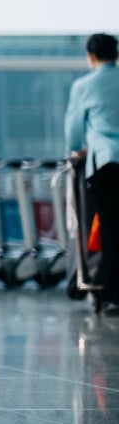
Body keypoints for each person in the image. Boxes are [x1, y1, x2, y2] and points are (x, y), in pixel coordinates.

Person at [66, 33, 119, 316]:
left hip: (106, 163)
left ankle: (112, 294)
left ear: (91, 56)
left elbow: (74, 134)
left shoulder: (84, 86)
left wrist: (76, 150)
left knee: (109, 228)